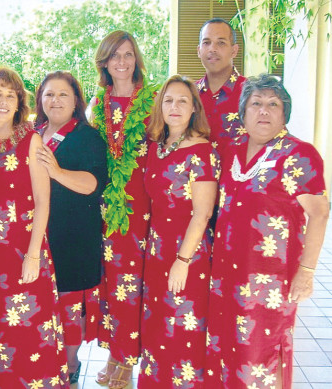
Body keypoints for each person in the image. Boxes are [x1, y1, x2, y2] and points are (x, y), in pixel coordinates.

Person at [205, 74, 329, 389]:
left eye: (273, 104)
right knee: (226, 352)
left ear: (284, 114)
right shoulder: (231, 150)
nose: (264, 111)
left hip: (269, 282)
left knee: (261, 357)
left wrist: (307, 270)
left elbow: (320, 213)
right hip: (226, 276)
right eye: (256, 104)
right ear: (243, 112)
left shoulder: (299, 155)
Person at [0, 66, 68, 388]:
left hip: (24, 252)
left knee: (29, 331)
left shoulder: (31, 140)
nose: (4, 101)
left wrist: (34, 254)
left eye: (11, 95)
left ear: (20, 101)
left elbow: (42, 200)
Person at [138, 75, 220, 388]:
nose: (175, 106)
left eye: (183, 100)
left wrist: (182, 260)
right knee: (158, 329)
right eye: (169, 100)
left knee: (182, 331)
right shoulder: (157, 147)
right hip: (158, 253)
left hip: (187, 256)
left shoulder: (201, 151)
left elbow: (203, 213)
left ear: (193, 109)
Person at [88, 30, 158, 389]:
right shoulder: (97, 106)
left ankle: (130, 361)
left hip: (143, 206)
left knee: (136, 284)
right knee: (112, 283)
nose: (122, 61)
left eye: (128, 54)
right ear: (104, 61)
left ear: (137, 58)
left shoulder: (154, 101)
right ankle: (116, 353)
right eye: (115, 55)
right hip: (106, 209)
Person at [34, 71, 108, 384]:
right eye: (49, 94)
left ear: (76, 99)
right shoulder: (33, 134)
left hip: (75, 236)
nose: (56, 100)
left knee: (69, 306)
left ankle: (70, 367)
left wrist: (56, 171)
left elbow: (93, 183)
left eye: (63, 94)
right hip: (40, 235)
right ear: (40, 99)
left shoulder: (87, 136)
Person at [196, 18, 247, 155]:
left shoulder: (252, 93)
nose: (212, 49)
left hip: (239, 175)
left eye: (221, 43)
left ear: (234, 51)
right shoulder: (188, 95)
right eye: (206, 42)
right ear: (199, 51)